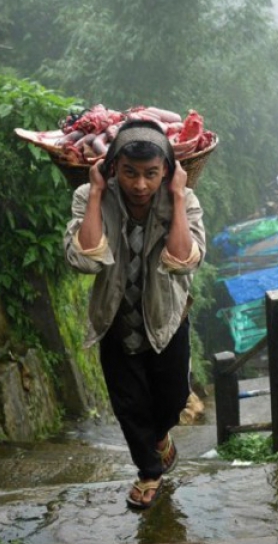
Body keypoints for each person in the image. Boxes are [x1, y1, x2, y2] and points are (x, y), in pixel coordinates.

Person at [63, 120, 207, 510]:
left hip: (166, 319)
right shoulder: (89, 196)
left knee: (174, 396)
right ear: (113, 169)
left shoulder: (184, 200)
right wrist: (95, 194)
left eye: (150, 174)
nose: (140, 185)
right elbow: (84, 261)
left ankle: (160, 440)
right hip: (115, 319)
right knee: (128, 405)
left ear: (166, 172)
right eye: (129, 173)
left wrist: (177, 197)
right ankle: (148, 472)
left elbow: (182, 263)